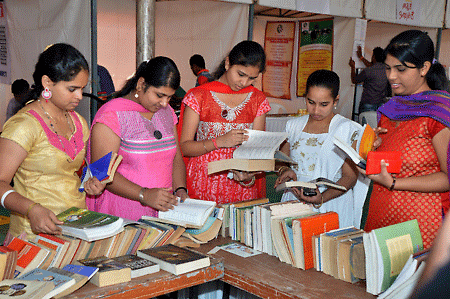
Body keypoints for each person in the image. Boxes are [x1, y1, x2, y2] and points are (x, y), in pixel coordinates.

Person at [0, 43, 104, 240]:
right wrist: (31, 209)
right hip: (33, 234)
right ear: (47, 82)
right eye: (72, 89)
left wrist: (92, 183)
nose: (79, 96)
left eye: (82, 88)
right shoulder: (24, 125)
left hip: (75, 228)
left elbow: (72, 172)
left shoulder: (78, 123)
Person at [363, 30, 450, 249]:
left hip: (422, 224)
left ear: (424, 68)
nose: (391, 76)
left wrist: (394, 183)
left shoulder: (439, 113)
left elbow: (447, 178)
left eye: (400, 69)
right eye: (388, 68)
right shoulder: (390, 109)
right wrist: (371, 148)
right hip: (382, 214)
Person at [87, 56, 187, 221]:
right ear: (141, 84)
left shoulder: (167, 113)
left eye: (169, 97)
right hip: (125, 209)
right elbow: (101, 173)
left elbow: (175, 157)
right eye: (159, 95)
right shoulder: (113, 115)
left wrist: (180, 189)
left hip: (163, 209)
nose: (164, 103)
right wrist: (144, 194)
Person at [274, 70, 369, 228]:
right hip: (295, 199)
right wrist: (284, 170)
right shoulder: (294, 125)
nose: (316, 110)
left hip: (331, 202)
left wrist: (322, 198)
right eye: (311, 102)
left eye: (324, 104)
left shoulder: (347, 128)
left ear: (335, 100)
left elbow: (350, 177)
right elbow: (281, 159)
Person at [180, 40, 270, 205]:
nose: (244, 83)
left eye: (252, 78)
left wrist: (249, 174)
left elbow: (256, 151)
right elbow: (185, 147)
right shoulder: (199, 96)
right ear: (228, 63)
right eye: (241, 74)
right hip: (204, 181)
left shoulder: (257, 99)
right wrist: (219, 142)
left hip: (241, 185)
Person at [349, 46, 389, 113]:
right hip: (381, 104)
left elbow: (354, 80)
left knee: (366, 123)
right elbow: (372, 66)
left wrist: (353, 67)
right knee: (375, 123)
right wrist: (361, 57)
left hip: (368, 103)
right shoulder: (387, 69)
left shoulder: (369, 70)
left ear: (373, 57)